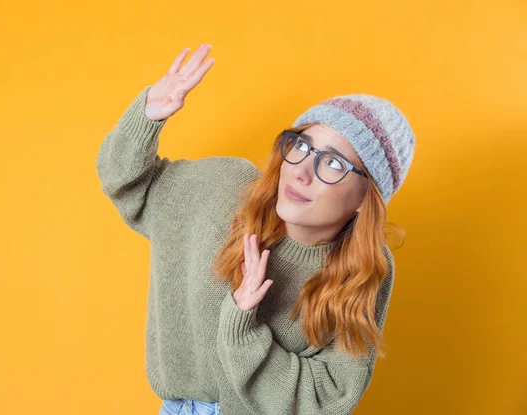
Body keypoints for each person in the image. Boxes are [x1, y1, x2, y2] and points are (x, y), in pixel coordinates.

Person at [96, 43, 415, 415]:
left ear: (365, 197)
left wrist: (243, 327)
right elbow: (128, 183)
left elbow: (330, 398)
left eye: (331, 163)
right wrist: (149, 114)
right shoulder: (223, 190)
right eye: (301, 146)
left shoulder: (363, 270)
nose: (301, 171)